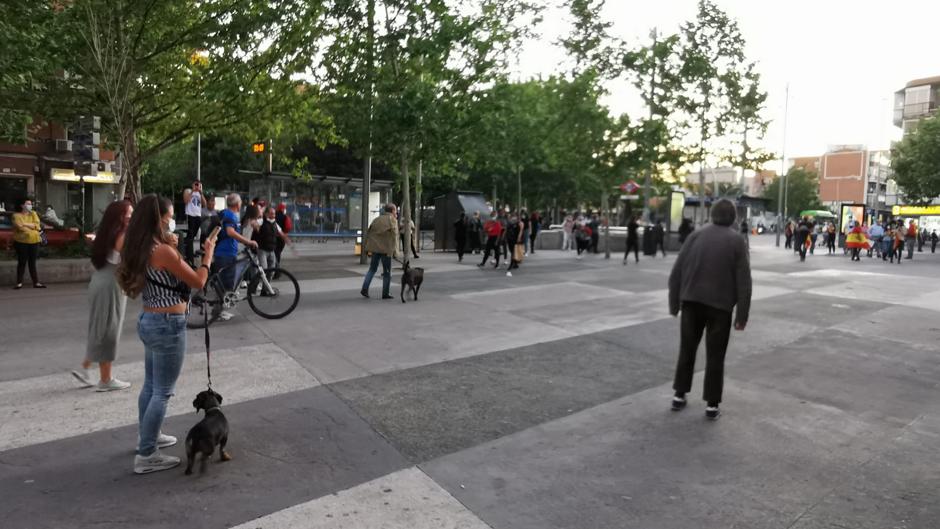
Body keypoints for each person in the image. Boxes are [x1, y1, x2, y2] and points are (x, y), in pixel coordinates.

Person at [116, 194, 216, 474]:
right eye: (169, 218)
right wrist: (207, 255)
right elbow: (197, 280)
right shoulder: (161, 251)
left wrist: (172, 245)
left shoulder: (139, 245)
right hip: (167, 324)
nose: (172, 223)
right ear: (158, 220)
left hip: (150, 318)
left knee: (151, 386)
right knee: (162, 391)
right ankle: (147, 455)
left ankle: (148, 437)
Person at [668, 199, 751, 421]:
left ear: (712, 214)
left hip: (691, 303)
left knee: (687, 349)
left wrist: (674, 304)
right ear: (733, 217)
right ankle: (712, 404)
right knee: (716, 356)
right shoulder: (736, 241)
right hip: (720, 307)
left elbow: (677, 271)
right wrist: (742, 315)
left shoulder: (695, 235)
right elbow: (744, 281)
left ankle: (679, 394)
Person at [72, 200, 134, 392]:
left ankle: (84, 368)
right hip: (110, 285)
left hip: (101, 281)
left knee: (100, 327)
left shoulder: (106, 233)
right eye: (129, 213)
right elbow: (132, 258)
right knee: (108, 329)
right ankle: (105, 380)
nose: (132, 216)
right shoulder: (121, 235)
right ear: (120, 216)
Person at [213, 194, 258, 320]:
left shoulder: (227, 214)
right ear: (238, 204)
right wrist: (248, 242)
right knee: (226, 284)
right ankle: (218, 312)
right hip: (225, 253)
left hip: (225, 252)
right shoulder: (230, 215)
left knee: (224, 284)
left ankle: (219, 311)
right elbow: (230, 232)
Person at [360, 203, 399, 299]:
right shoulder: (392, 220)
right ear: (393, 211)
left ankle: (364, 289)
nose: (396, 212)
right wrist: (395, 252)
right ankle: (385, 293)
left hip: (375, 249)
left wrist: (367, 247)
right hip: (386, 250)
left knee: (372, 269)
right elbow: (395, 236)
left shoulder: (376, 219)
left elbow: (369, 233)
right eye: (395, 210)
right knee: (387, 272)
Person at [12, 198, 45, 289]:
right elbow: (20, 227)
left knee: (32, 262)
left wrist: (25, 224)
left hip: (34, 241)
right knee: (22, 262)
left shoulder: (33, 213)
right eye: (28, 203)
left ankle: (36, 282)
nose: (30, 205)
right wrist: (32, 227)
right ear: (22, 205)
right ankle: (19, 282)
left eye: (30, 204)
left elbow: (37, 226)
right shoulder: (16, 215)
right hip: (21, 242)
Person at [255, 206, 290, 274]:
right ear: (266, 214)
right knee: (264, 271)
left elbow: (281, 233)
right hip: (262, 250)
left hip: (271, 251)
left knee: (271, 272)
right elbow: (253, 224)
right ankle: (257, 283)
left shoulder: (275, 224)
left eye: (274, 214)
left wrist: (287, 241)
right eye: (271, 213)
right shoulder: (261, 221)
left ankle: (265, 284)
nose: (273, 215)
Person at [183, 181, 206, 263]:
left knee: (193, 235)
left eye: (199, 185)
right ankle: (189, 253)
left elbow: (204, 204)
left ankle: (188, 251)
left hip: (198, 215)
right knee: (191, 234)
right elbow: (186, 201)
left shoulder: (200, 193)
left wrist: (201, 192)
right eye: (196, 184)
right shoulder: (188, 191)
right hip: (191, 215)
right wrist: (192, 191)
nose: (197, 186)